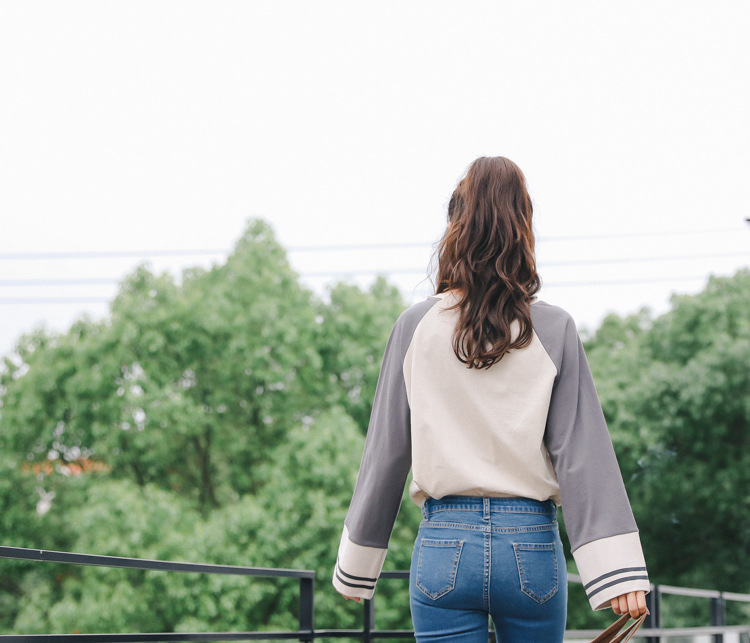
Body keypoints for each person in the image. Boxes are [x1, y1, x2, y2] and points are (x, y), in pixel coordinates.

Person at [331, 156, 650, 642]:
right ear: (523, 226)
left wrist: (358, 566)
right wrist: (620, 574)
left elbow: (387, 451)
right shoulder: (554, 328)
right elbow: (582, 454)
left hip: (443, 546)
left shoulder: (414, 326)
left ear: (456, 225)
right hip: (531, 550)